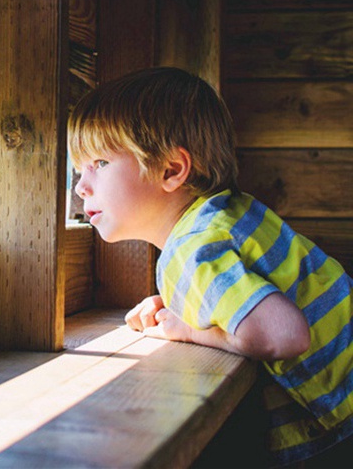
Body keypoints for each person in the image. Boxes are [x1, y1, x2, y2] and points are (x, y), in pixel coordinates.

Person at [67, 67, 353, 467]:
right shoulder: (225, 214)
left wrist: (186, 330)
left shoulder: (192, 249)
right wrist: (185, 303)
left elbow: (286, 335)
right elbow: (252, 289)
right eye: (80, 168)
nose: (81, 185)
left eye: (99, 163)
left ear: (171, 170)